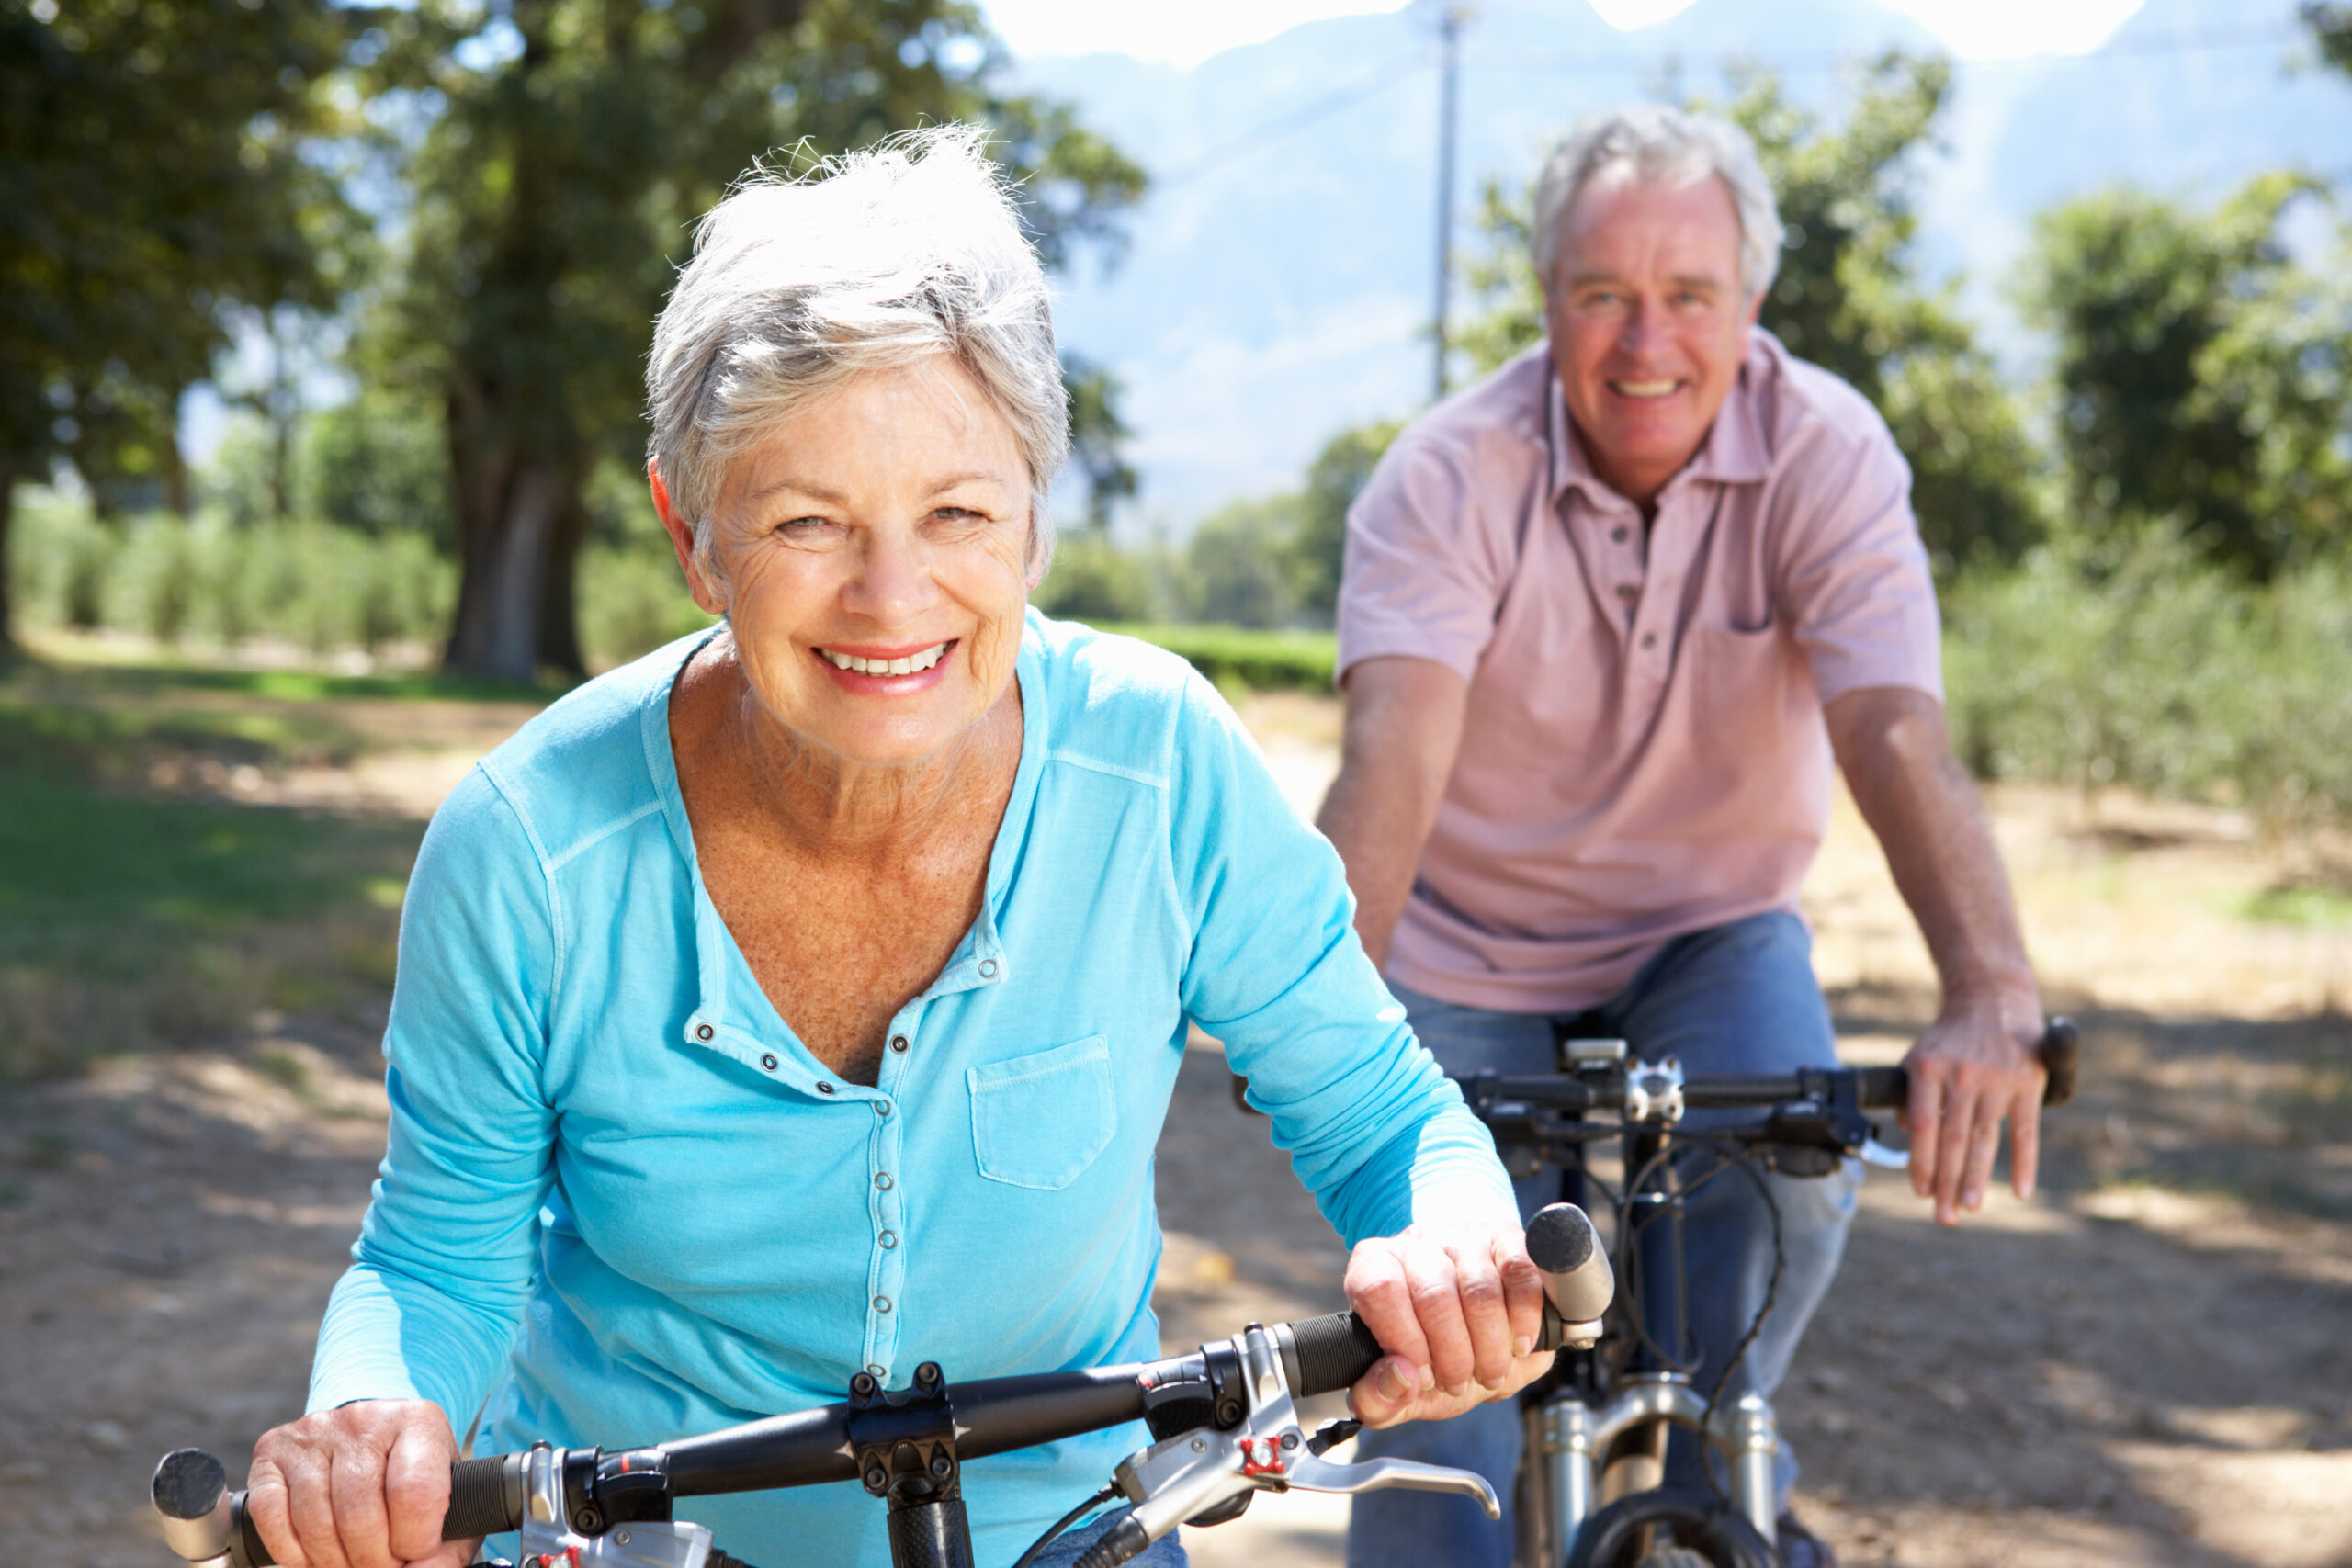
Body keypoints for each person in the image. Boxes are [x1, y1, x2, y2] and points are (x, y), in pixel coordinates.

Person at [242, 128, 1553, 1568]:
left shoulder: (1162, 764)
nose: (892, 596)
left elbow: (1383, 1116)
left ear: (1036, 523)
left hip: (1072, 1534)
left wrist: (1448, 1231)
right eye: (809, 520)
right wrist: (374, 1419)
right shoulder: (529, 852)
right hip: (643, 1544)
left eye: (959, 513)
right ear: (696, 535)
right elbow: (437, 1253)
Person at [1319, 107, 2050, 1568]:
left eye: (1688, 296)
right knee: (1447, 1354)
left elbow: (1892, 730)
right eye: (1603, 294)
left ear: (1751, 306)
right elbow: (1388, 765)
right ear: (1548, 306)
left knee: (1790, 1175)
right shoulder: (1448, 475)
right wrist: (1323, 1032)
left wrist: (1987, 992)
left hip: (1710, 933)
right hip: (1469, 944)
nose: (1645, 341)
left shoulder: (1827, 453)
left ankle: (1704, 1460)